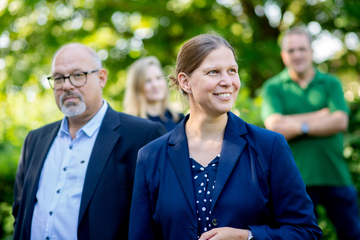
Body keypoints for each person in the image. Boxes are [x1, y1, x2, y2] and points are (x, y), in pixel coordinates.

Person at [129, 34, 322, 240]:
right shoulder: (150, 156)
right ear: (185, 82)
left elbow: (306, 232)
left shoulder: (270, 146)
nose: (227, 81)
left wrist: (247, 236)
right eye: (213, 72)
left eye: (232, 71)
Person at [12, 43, 166, 240]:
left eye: (78, 75)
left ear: (101, 78)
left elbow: (157, 219)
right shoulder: (35, 140)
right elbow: (21, 212)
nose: (67, 85)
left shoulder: (142, 136)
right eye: (58, 78)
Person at [261, 28, 360, 239]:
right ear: (283, 55)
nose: (297, 55)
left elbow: (340, 121)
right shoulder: (273, 87)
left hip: (335, 176)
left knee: (353, 234)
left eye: (302, 49)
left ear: (311, 52)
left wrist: (294, 124)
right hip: (295, 181)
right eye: (291, 50)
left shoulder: (330, 83)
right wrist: (321, 116)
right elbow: (275, 127)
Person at [124, 56, 184, 131]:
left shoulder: (179, 120)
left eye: (158, 78)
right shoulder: (130, 125)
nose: (155, 85)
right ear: (136, 87)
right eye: (148, 81)